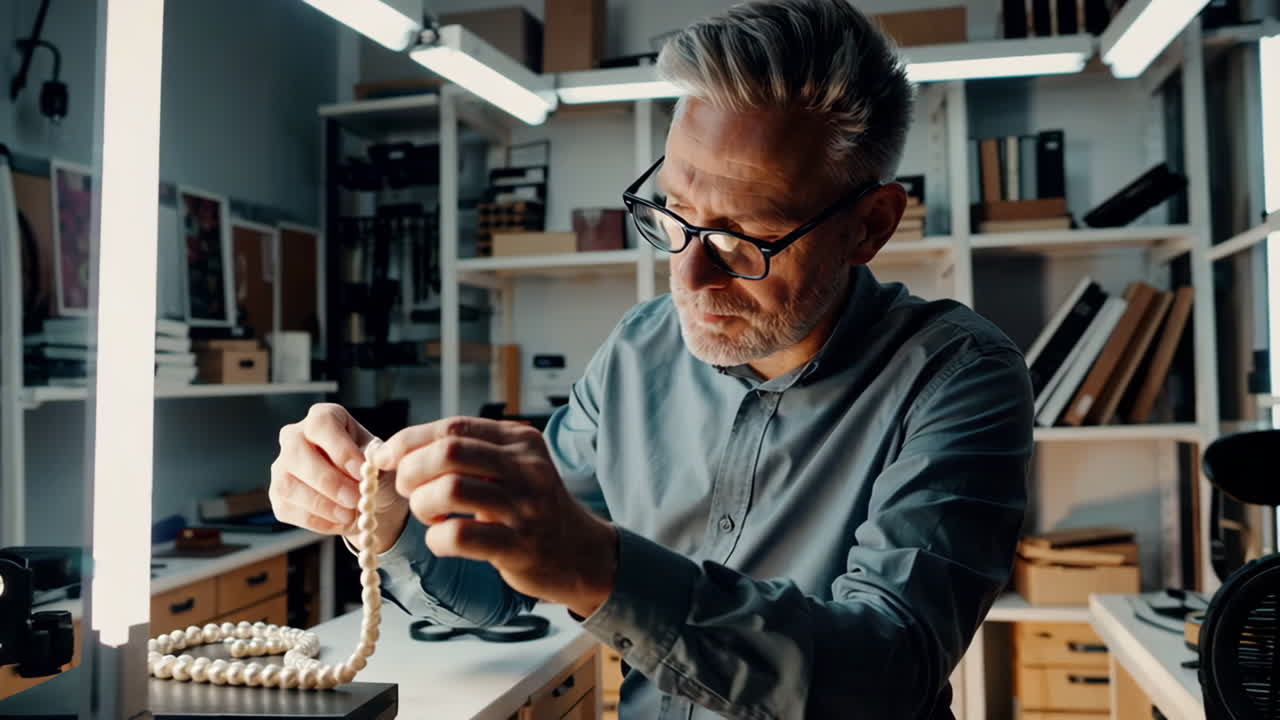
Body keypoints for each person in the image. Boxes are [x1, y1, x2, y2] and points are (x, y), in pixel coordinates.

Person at [270, 1, 1034, 717]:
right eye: (672, 213)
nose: (691, 277)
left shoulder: (959, 377)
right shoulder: (640, 350)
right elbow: (499, 589)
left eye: (744, 239)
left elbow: (888, 671)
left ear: (870, 226)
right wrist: (393, 520)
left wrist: (597, 567)